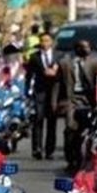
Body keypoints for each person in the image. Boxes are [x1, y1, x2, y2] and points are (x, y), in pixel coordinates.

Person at [61, 40, 97, 172]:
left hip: (89, 100)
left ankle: (85, 159)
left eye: (88, 47)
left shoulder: (94, 63)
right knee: (70, 129)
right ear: (76, 49)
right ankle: (70, 160)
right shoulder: (66, 63)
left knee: (89, 130)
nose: (86, 49)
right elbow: (58, 85)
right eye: (83, 47)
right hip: (73, 99)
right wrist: (57, 103)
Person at [25, 32, 60, 160]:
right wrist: (27, 90)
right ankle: (37, 149)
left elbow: (62, 74)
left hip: (53, 92)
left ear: (52, 42)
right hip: (39, 91)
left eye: (47, 41)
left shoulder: (58, 56)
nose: (45, 43)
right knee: (38, 119)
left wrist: (55, 72)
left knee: (52, 121)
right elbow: (29, 75)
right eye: (42, 41)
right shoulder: (34, 57)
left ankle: (49, 150)